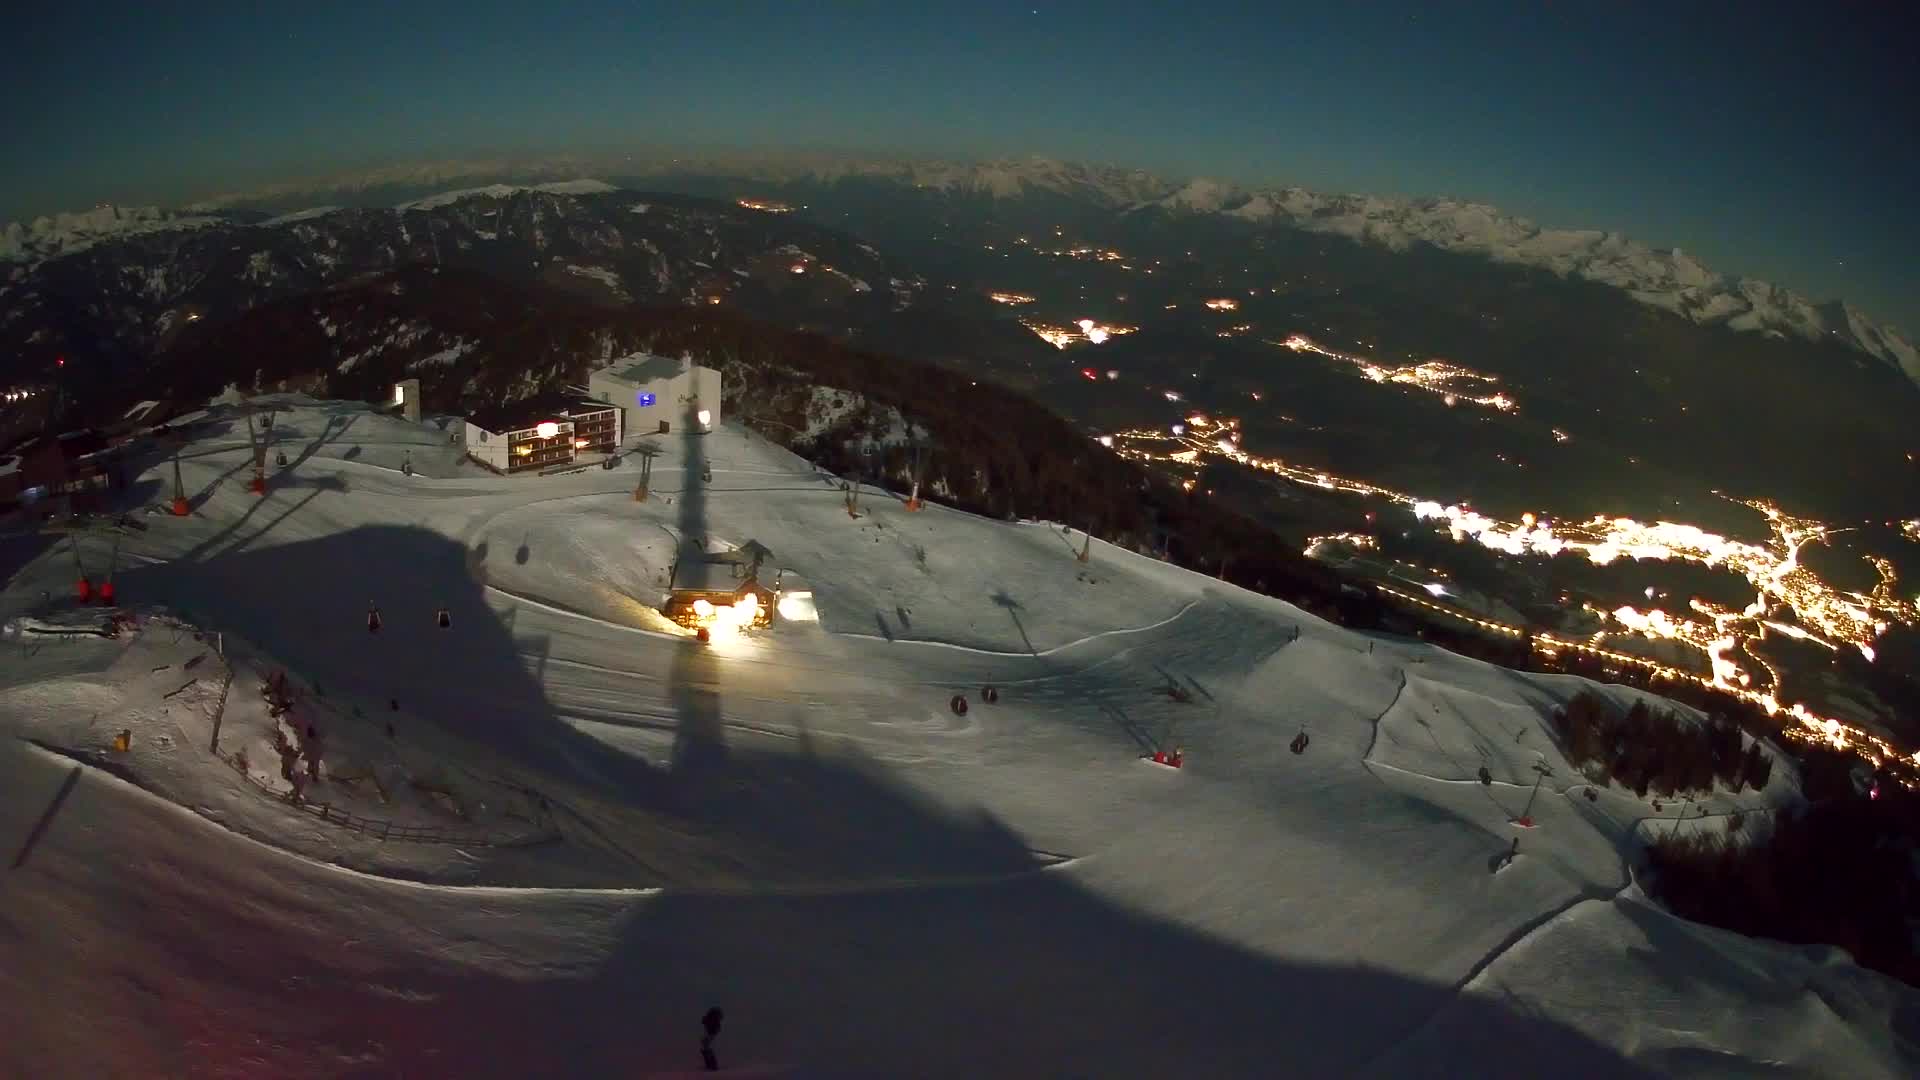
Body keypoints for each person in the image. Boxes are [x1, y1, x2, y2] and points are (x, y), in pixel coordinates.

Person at [701, 1006, 724, 1072]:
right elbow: (716, 1027)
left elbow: (706, 1023)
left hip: (710, 1033)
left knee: (706, 1048)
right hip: (711, 1033)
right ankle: (711, 1065)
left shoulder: (712, 1018)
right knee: (706, 1048)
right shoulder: (712, 1018)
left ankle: (712, 1065)